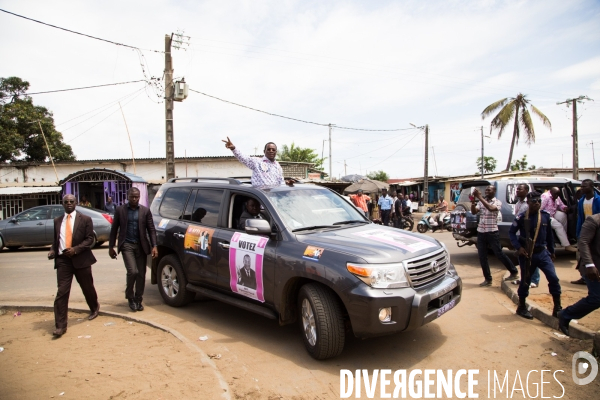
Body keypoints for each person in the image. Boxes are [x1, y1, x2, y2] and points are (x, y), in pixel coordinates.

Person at [47, 194, 99, 337]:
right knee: (62, 292)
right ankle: (60, 326)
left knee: (87, 287)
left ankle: (94, 307)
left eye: (71, 201)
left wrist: (75, 249)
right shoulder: (57, 221)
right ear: (62, 204)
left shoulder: (86, 220)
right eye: (66, 202)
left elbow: (89, 240)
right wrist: (52, 250)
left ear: (76, 203)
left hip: (81, 259)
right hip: (63, 261)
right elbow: (56, 240)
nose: (69, 204)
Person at [509, 191, 562, 319]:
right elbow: (511, 233)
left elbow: (549, 235)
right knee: (525, 281)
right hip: (528, 254)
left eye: (539, 201)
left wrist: (552, 251)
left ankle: (557, 308)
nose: (537, 203)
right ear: (528, 202)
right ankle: (521, 307)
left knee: (553, 278)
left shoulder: (544, 216)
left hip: (542, 253)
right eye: (534, 201)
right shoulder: (522, 217)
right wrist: (519, 247)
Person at [109, 187, 158, 312]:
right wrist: (111, 247)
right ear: (127, 196)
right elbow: (114, 229)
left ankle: (138, 299)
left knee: (141, 274)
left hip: (141, 246)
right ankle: (130, 296)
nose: (134, 199)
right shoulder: (120, 210)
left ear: (139, 197)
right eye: (132, 197)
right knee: (133, 272)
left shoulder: (145, 211)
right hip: (127, 245)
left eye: (137, 197)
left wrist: (154, 246)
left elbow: (151, 229)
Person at [558, 213, 600, 336]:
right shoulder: (594, 220)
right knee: (596, 298)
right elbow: (583, 242)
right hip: (592, 267)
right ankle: (566, 314)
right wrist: (589, 265)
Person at [471, 185, 519, 286]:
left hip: (492, 232)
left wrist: (479, 197)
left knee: (499, 253)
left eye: (489, 190)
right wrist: (472, 201)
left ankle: (513, 271)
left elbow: (491, 208)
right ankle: (488, 279)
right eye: (486, 189)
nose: (487, 191)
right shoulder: (481, 201)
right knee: (482, 256)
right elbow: (474, 212)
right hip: (481, 231)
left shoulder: (497, 202)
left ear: (494, 191)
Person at [572, 180, 600, 285]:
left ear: (592, 187)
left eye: (584, 186)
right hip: (585, 230)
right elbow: (580, 218)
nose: (582, 188)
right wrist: (578, 232)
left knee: (595, 255)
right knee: (581, 255)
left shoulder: (598, 200)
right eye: (581, 186)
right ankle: (584, 277)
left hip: (596, 232)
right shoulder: (582, 201)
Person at [513, 184, 539, 288]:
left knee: (532, 257)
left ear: (527, 191)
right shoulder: (518, 203)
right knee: (522, 258)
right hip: (520, 234)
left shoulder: (528, 204)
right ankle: (524, 278)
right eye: (517, 189)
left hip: (529, 235)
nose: (517, 191)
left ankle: (534, 280)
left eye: (520, 189)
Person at [541, 187, 576, 252]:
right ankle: (566, 245)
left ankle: (563, 237)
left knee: (563, 216)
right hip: (545, 215)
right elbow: (540, 209)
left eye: (558, 195)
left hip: (553, 213)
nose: (556, 196)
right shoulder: (545, 196)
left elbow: (561, 205)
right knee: (558, 226)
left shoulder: (556, 197)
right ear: (551, 192)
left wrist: (565, 208)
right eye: (555, 194)